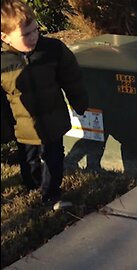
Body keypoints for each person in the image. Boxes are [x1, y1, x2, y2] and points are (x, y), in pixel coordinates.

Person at [1, 0, 88, 210]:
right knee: (29, 159)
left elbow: (71, 77)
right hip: (22, 126)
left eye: (35, 30)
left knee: (53, 157)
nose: (33, 37)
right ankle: (32, 183)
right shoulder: (3, 62)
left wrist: (79, 102)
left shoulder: (52, 50)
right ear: (4, 37)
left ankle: (51, 193)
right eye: (26, 34)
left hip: (53, 120)